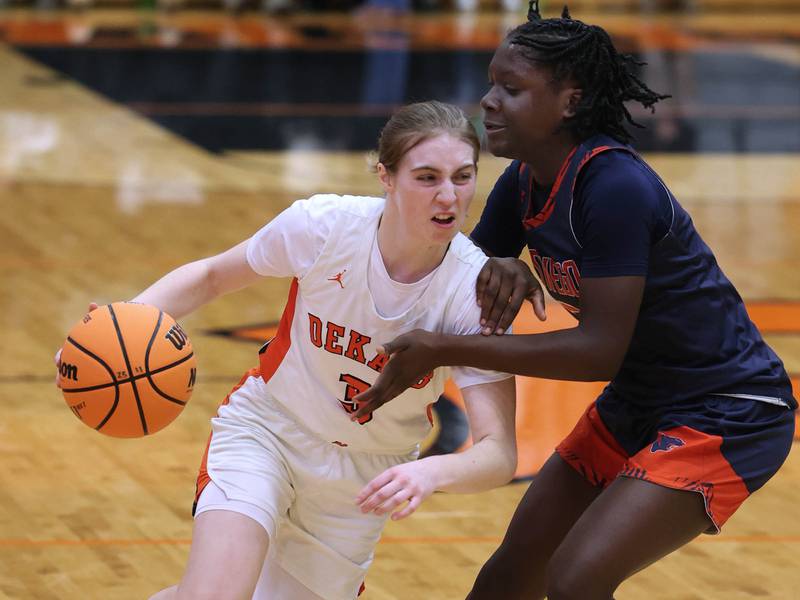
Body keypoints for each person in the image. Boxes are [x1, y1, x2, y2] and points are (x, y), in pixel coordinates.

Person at [350, 4, 797, 599]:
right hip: (638, 402)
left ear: (569, 102)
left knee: (574, 580)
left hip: (726, 410)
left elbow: (597, 353)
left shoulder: (614, 186)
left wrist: (441, 349)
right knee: (510, 576)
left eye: (511, 89)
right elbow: (457, 285)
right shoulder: (523, 181)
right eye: (491, 84)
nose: (488, 101)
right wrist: (496, 263)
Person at [55, 101, 517, 600]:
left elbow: (498, 452)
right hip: (269, 430)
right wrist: (121, 325)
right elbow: (212, 276)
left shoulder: (475, 292)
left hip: (362, 478)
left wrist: (431, 471)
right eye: (427, 177)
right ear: (386, 175)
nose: (449, 196)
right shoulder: (324, 226)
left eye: (463, 176)